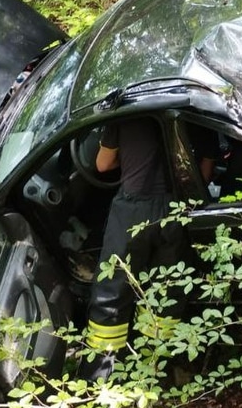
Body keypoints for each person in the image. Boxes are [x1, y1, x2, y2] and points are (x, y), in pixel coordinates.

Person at [79, 117, 197, 381]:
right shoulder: (186, 109)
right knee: (164, 294)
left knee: (111, 293)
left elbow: (102, 164)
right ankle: (152, 373)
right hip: (176, 210)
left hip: (134, 210)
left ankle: (102, 377)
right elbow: (204, 165)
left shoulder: (125, 113)